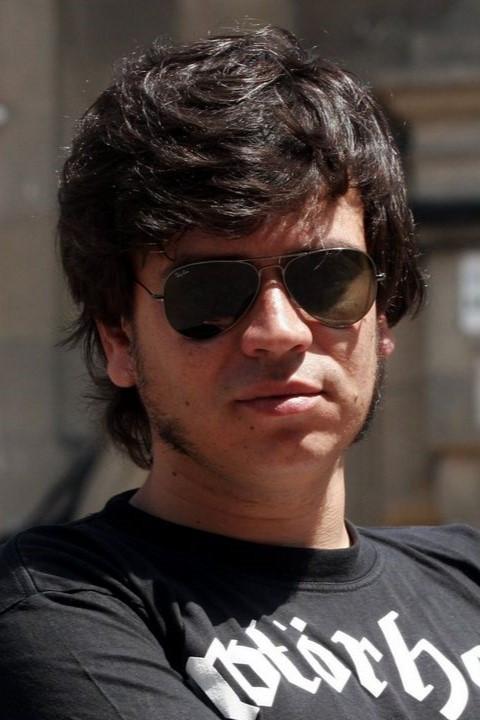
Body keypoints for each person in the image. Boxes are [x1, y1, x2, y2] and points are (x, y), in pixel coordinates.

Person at [1, 25, 479, 720]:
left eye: (328, 279)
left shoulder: (467, 575)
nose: (278, 331)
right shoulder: (57, 603)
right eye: (209, 293)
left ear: (382, 318)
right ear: (119, 339)